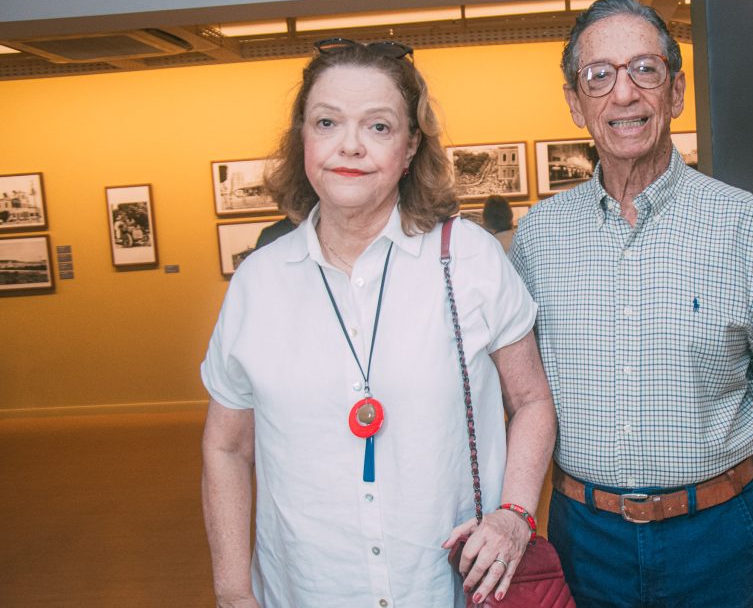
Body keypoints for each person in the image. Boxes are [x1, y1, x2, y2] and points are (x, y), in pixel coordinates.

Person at [201, 38, 556, 607]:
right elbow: (226, 448)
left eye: (379, 127)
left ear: (412, 146)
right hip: (309, 591)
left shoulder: (469, 259)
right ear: (302, 139)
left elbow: (532, 399)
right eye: (326, 122)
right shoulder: (258, 284)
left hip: (447, 588)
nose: (350, 146)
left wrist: (515, 513)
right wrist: (232, 592)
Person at [510, 0, 753, 608]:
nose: (623, 94)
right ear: (576, 104)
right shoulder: (536, 241)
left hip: (719, 535)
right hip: (584, 540)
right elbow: (519, 402)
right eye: (599, 76)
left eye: (644, 69)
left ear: (675, 92)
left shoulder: (750, 229)